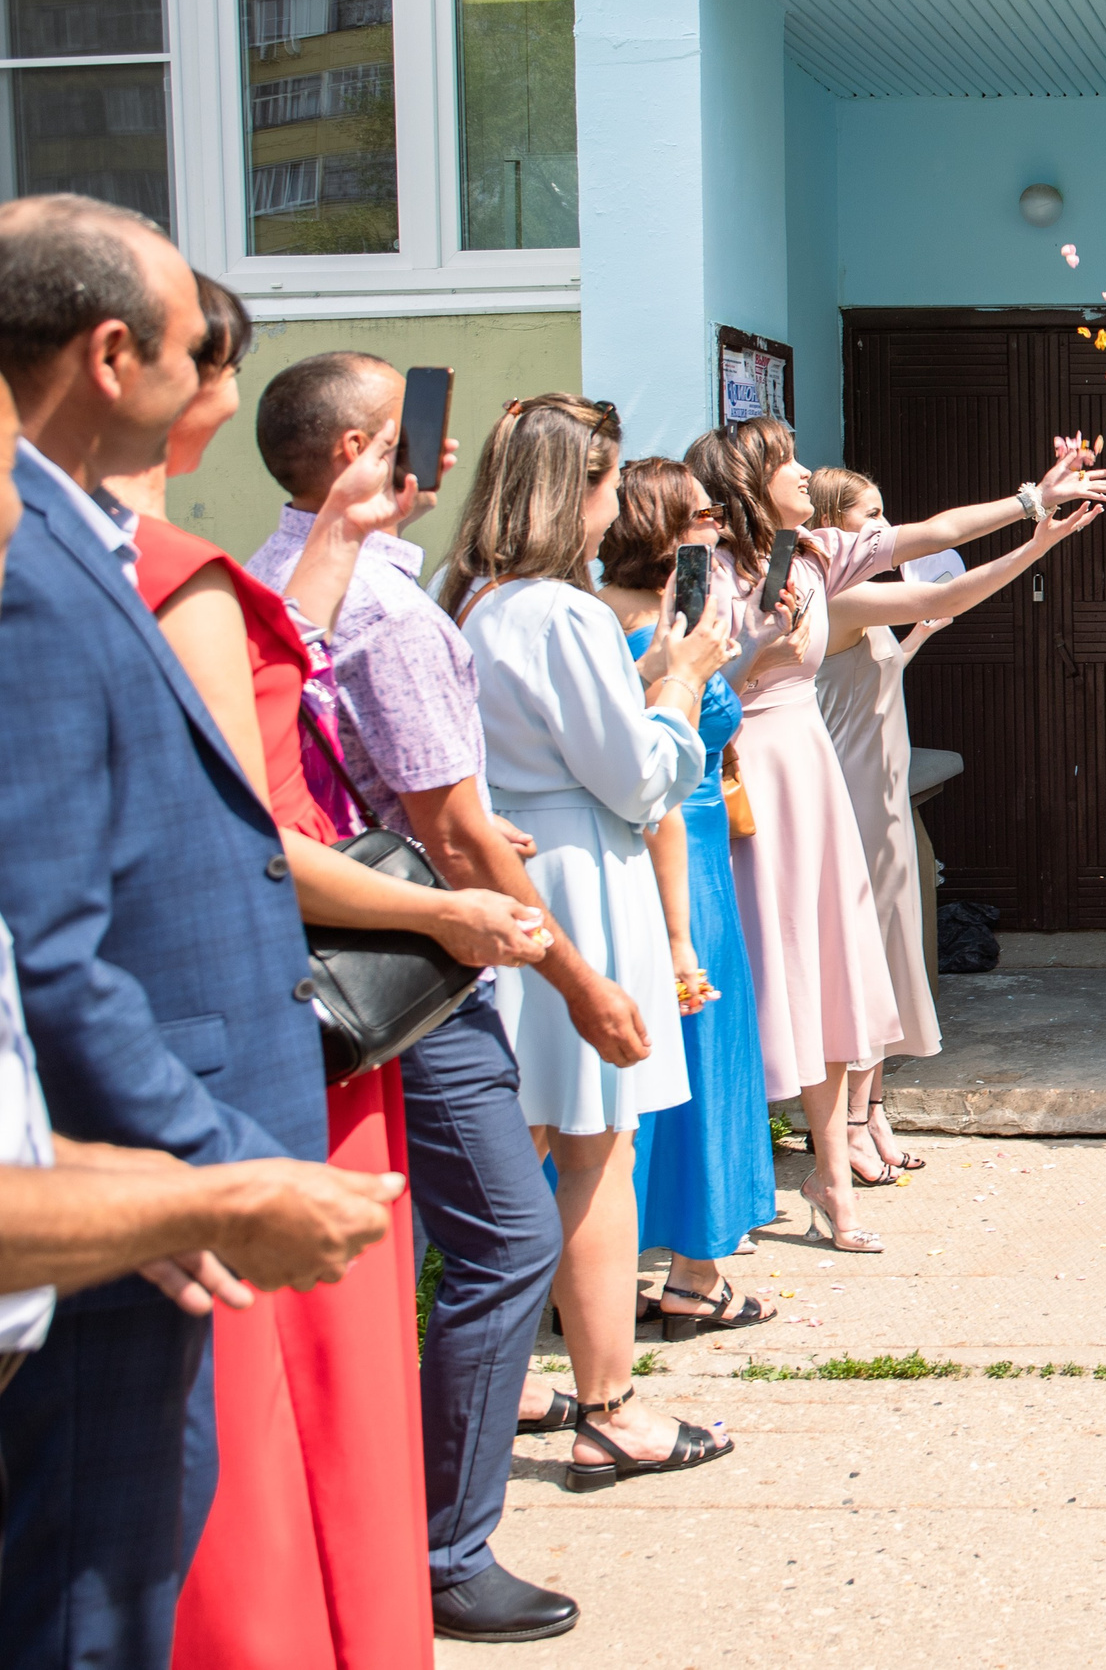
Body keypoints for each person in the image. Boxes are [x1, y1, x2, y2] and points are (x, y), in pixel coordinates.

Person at [104, 281, 540, 1670]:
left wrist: (347, 530)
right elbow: (266, 837)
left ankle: (363, 1599)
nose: (217, 391)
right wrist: (463, 913)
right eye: (206, 363)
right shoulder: (167, 580)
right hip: (261, 1005)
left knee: (335, 1343)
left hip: (288, 1001)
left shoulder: (230, 577)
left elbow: (286, 686)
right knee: (300, 1343)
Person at [0, 194, 400, 1665]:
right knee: (87, 1593)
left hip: (149, 1162)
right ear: (115, 356)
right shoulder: (31, 575)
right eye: (196, 343)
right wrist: (215, 1166)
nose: (213, 374)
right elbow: (49, 946)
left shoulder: (82, 539)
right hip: (122, 1172)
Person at [247, 353, 599, 1641]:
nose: (436, 450)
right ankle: (446, 1548)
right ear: (356, 452)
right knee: (509, 1238)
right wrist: (578, 975)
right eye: (409, 430)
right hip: (411, 968)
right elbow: (450, 833)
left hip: (356, 948)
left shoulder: (283, 580)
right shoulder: (392, 614)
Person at [687, 417, 1106, 1248]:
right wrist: (750, 651)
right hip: (741, 777)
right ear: (748, 477)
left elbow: (933, 543)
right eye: (786, 462)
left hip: (811, 775)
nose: (806, 471)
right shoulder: (702, 572)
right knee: (752, 972)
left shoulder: (813, 557)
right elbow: (684, 679)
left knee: (837, 968)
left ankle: (833, 1177)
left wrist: (1036, 510)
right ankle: (730, 1175)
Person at [439, 394, 736, 1491]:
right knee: (594, 1144)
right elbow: (637, 776)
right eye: (608, 486)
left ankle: (513, 1371)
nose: (618, 510)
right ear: (576, 492)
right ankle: (609, 1403)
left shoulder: (474, 599)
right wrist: (686, 674)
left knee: (523, 1141)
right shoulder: (563, 615)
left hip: (520, 867)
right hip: (582, 868)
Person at [809, 466, 1064, 1175]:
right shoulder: (843, 595)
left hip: (884, 795)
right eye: (870, 516)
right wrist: (1035, 540)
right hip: (854, 798)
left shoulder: (864, 602)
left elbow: (880, 676)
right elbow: (950, 581)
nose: (885, 529)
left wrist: (919, 635)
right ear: (834, 525)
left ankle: (876, 1112)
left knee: (891, 953)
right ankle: (852, 1127)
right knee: (861, 962)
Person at [596, 458, 778, 1328]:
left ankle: (594, 1274)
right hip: (682, 848)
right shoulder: (664, 631)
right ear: (663, 528)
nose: (716, 524)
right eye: (701, 514)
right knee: (702, 1051)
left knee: (622, 1068)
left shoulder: (591, 619)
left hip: (652, 845)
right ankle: (696, 1276)